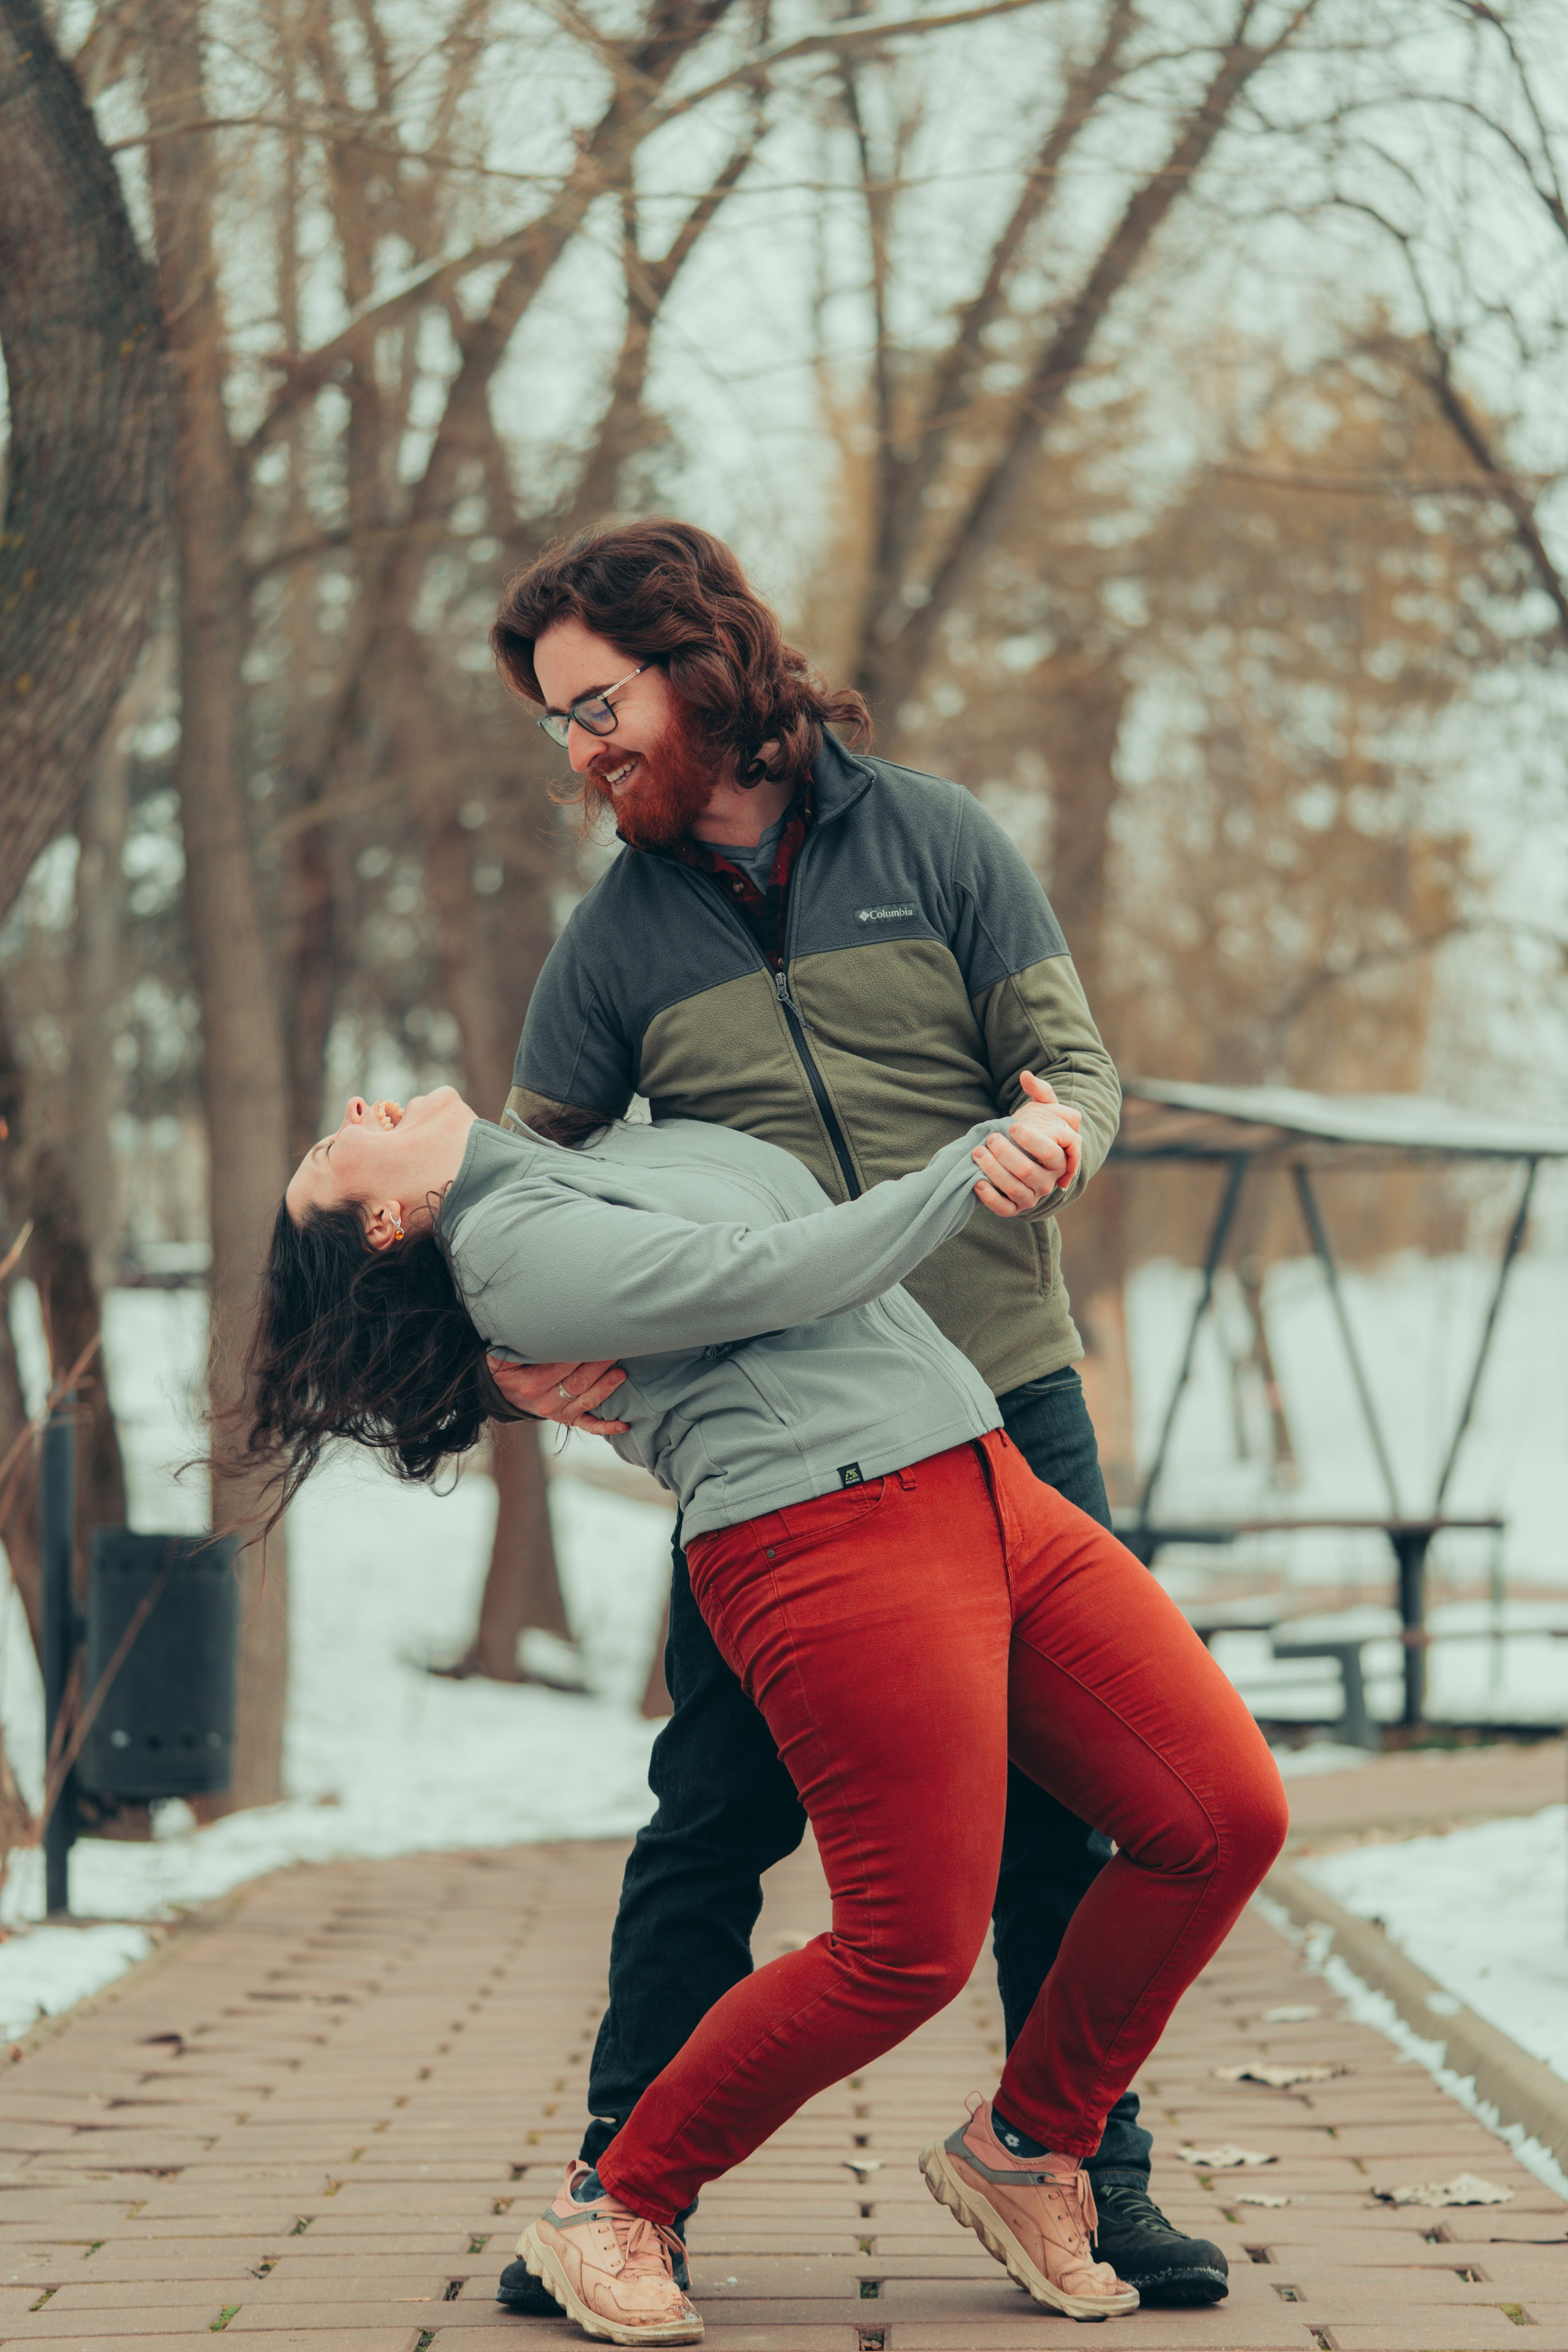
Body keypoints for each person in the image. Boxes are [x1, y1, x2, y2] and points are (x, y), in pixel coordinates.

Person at [483, 519, 1231, 2305]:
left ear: (698, 656)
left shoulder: (941, 842)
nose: (582, 749)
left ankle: (1084, 2170)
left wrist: (1064, 1134)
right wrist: (533, 1363)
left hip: (1006, 1412)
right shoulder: (612, 945)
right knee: (713, 1813)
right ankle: (615, 2179)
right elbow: (521, 1197)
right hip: (781, 1469)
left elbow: (1082, 1066)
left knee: (1088, 1816)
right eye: (556, 724)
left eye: (597, 704)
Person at [252, 1084, 1287, 2350]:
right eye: (330, 1148)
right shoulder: (507, 1247)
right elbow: (777, 1272)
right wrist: (976, 1161)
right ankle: (617, 2204)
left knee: (1217, 1816)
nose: (355, 1105)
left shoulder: (605, 1151)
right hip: (823, 1528)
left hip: (981, 1476)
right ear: (387, 1223)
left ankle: (1032, 2145)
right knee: (906, 1944)